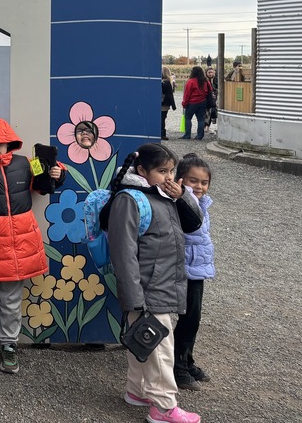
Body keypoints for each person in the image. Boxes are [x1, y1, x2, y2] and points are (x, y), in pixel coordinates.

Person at [0, 117, 65, 376]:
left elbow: (43, 186)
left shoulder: (26, 163)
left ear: (10, 143)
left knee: (12, 300)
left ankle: (9, 345)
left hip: (19, 245)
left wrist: (58, 172)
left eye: (1, 143)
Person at [103, 143, 203, 423]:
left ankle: (137, 391)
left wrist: (182, 196)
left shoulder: (164, 195)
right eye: (162, 171)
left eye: (172, 171)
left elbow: (194, 223)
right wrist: (134, 295)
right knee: (161, 348)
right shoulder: (130, 199)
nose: (169, 177)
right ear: (142, 170)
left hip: (158, 285)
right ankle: (163, 407)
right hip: (146, 289)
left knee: (143, 342)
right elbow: (123, 253)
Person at [173, 154, 215, 392]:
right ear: (180, 180)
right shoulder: (180, 201)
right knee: (188, 319)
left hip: (197, 267)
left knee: (193, 318)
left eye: (203, 182)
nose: (199, 186)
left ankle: (187, 361)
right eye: (193, 180)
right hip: (185, 268)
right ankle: (177, 366)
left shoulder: (201, 202)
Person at [181, 66, 213, 141]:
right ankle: (200, 135)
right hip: (203, 102)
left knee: (188, 118)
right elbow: (210, 90)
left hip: (192, 102)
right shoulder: (205, 81)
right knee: (201, 119)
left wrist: (184, 103)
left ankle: (187, 135)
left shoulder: (190, 81)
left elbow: (187, 94)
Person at [161, 67, 177, 140]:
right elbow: (170, 94)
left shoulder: (164, 83)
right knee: (163, 118)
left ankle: (161, 133)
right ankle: (162, 133)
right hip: (165, 103)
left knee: (161, 119)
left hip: (163, 102)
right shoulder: (168, 82)